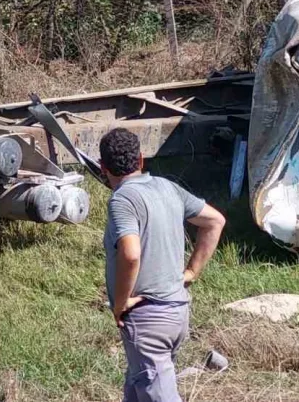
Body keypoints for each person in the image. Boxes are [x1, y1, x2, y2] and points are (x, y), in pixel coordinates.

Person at [100, 128, 226, 402]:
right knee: (138, 385)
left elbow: (131, 254)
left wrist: (120, 303)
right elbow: (215, 221)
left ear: (103, 167)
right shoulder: (168, 187)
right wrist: (191, 272)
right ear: (141, 160)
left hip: (148, 320)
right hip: (177, 311)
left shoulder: (122, 199)